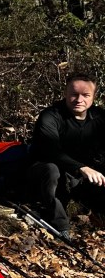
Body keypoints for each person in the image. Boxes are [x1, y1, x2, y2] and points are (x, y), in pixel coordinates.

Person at [29, 72, 105, 240]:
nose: (79, 100)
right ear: (65, 93)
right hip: (44, 171)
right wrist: (81, 167)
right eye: (74, 94)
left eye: (86, 95)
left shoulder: (99, 117)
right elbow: (51, 151)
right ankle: (60, 226)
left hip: (79, 175)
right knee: (52, 169)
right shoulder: (50, 116)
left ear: (94, 97)